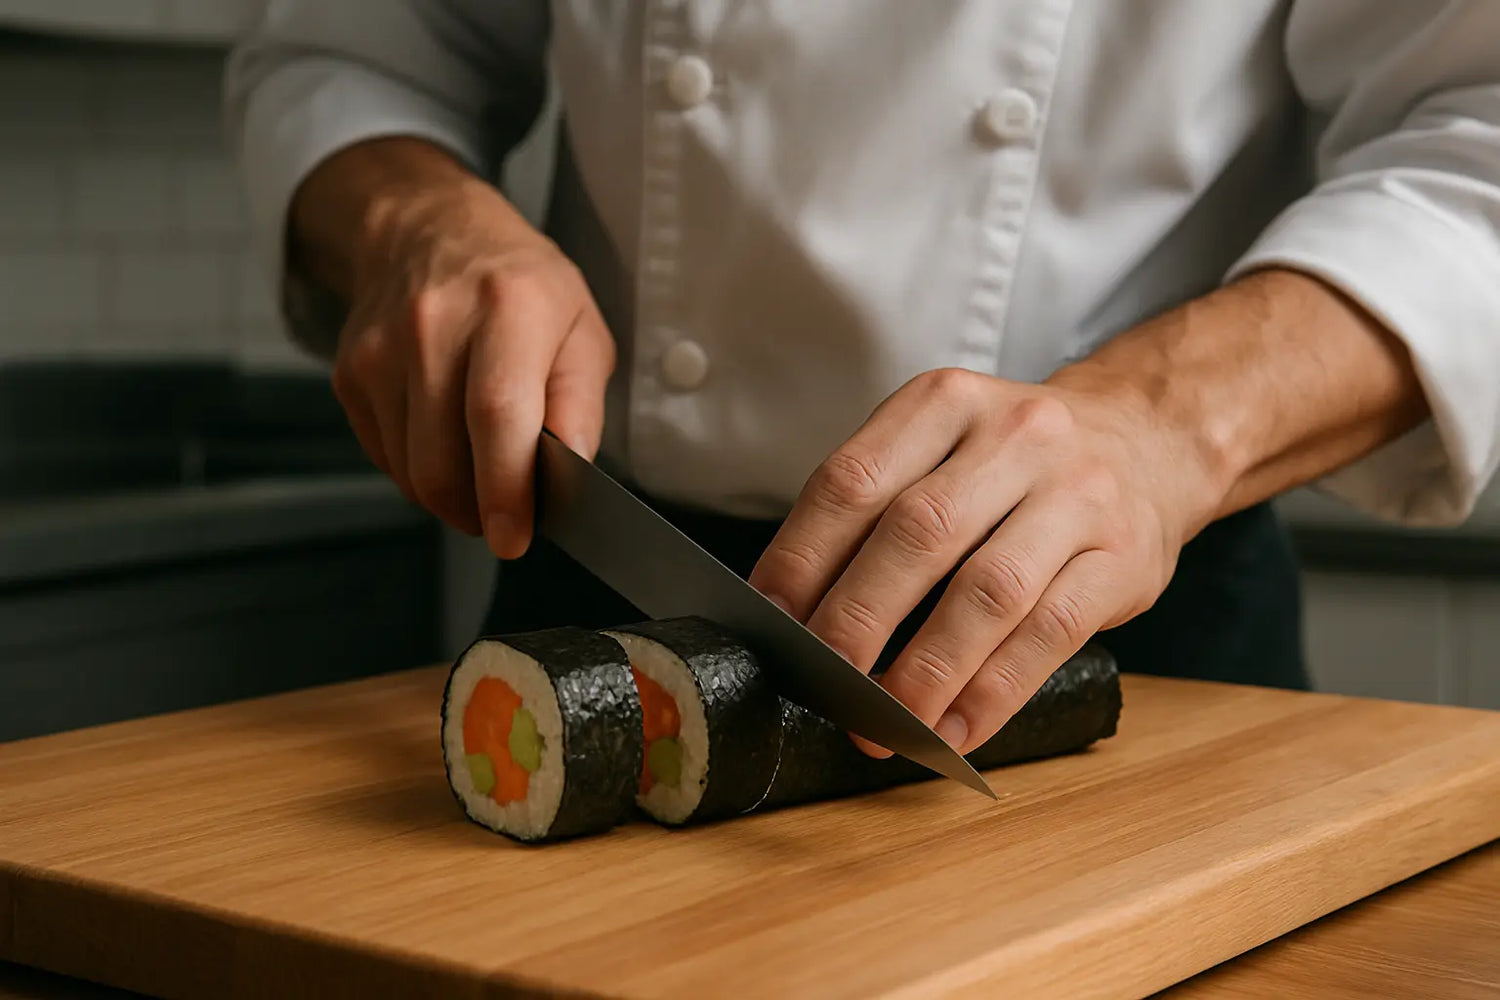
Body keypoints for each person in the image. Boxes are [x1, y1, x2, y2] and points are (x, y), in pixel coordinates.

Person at [224, 3, 1499, 760]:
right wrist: (418, 221)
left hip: (1116, 628)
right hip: (607, 596)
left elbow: (1477, 133)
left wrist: (1167, 422)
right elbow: (349, 53)